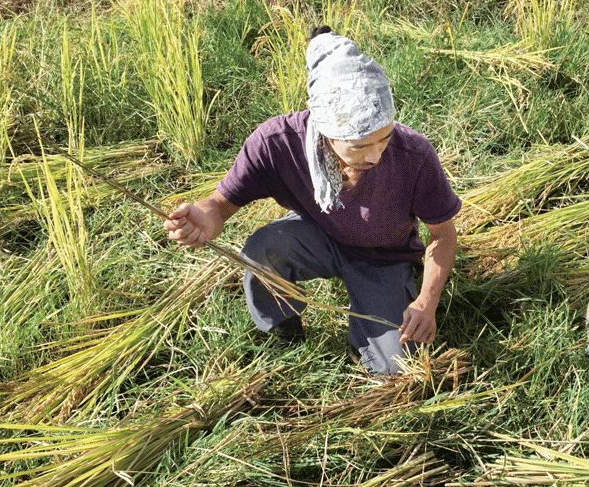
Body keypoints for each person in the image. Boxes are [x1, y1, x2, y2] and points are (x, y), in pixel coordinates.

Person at [163, 26, 461, 374]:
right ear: (325, 130)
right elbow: (222, 205)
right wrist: (203, 218)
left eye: (384, 137)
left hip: (385, 256)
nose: (376, 155)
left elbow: (443, 234)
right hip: (319, 237)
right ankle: (282, 331)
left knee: (398, 368)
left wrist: (427, 302)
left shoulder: (413, 154)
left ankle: (373, 328)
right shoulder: (277, 143)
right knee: (264, 248)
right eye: (360, 145)